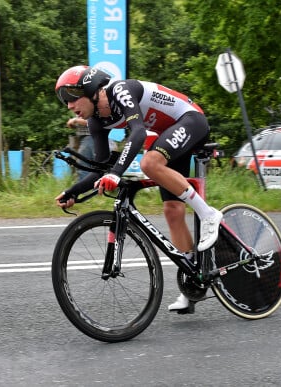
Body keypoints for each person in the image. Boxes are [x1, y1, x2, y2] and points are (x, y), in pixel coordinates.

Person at [54, 65, 223, 314]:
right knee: (172, 211)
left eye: (71, 98)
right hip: (167, 133)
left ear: (90, 90)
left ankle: (209, 214)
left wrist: (116, 173)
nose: (69, 106)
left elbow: (138, 132)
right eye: (64, 101)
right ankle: (193, 282)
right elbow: (102, 166)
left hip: (190, 120)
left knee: (149, 162)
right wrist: (74, 192)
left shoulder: (120, 91)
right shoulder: (96, 122)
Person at [66, 116, 94, 180]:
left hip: (89, 137)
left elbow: (90, 122)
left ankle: (84, 187)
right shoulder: (81, 110)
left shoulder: (89, 109)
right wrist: (73, 124)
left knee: (83, 165)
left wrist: (75, 120)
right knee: (87, 165)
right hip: (84, 138)